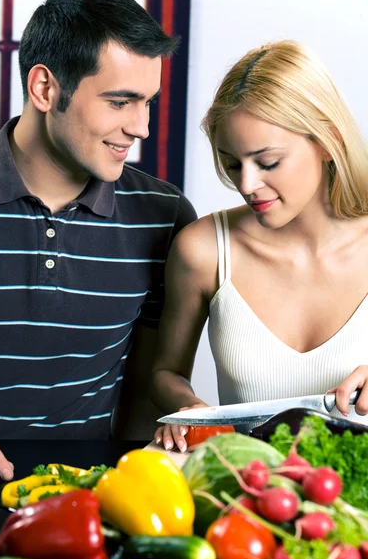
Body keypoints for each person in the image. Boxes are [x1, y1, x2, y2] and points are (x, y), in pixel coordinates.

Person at [0, 0, 197, 485]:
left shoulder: (164, 216)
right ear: (45, 89)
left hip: (87, 510)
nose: (141, 127)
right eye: (120, 101)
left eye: (148, 103)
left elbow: (146, 394)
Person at [151, 40, 368, 452]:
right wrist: (191, 410)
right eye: (232, 163)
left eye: (267, 162)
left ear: (327, 141)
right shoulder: (203, 251)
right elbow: (165, 374)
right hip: (250, 496)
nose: (246, 185)